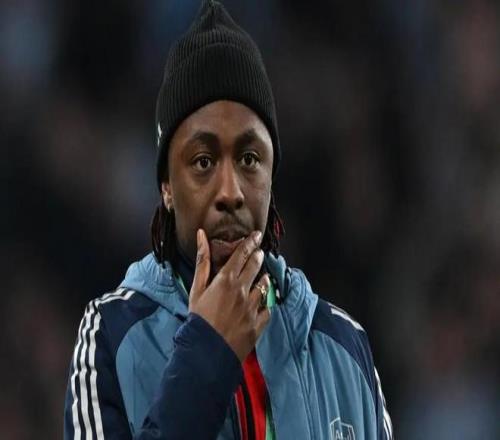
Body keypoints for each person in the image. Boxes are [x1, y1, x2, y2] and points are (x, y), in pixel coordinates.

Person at [64, 1, 393, 439]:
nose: (230, 193)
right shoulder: (111, 335)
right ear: (166, 186)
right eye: (203, 161)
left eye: (250, 159)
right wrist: (208, 352)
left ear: (272, 177)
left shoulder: (343, 346)